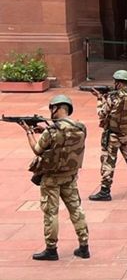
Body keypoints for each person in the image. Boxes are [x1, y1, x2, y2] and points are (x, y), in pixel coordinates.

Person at [19, 95, 90, 261]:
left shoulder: (51, 131)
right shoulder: (80, 127)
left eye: (52, 108)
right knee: (76, 209)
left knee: (51, 213)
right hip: (70, 175)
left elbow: (37, 149)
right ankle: (84, 245)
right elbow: (64, 142)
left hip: (51, 177)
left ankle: (51, 249)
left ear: (56, 108)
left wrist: (29, 132)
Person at [88, 70, 127, 201]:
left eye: (116, 82)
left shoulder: (113, 98)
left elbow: (102, 114)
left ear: (119, 83)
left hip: (113, 135)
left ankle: (105, 191)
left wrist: (100, 99)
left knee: (108, 162)